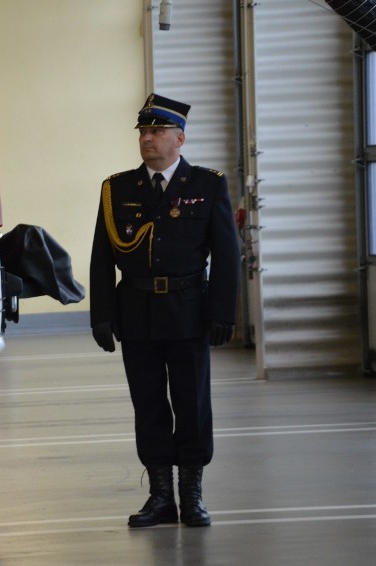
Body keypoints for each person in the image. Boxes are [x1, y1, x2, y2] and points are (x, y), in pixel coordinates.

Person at [90, 93, 240, 528]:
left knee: (192, 404)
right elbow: (102, 256)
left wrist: (222, 312)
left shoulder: (208, 185)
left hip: (189, 310)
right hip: (136, 311)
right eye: (143, 132)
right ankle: (160, 498)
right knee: (149, 405)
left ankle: (191, 496)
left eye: (156, 131)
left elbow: (226, 255)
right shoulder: (117, 188)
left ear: (180, 138)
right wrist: (101, 314)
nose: (147, 139)